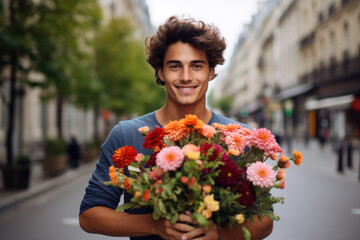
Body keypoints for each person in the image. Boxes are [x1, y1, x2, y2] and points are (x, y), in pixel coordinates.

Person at [79, 16, 273, 240]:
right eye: (174, 66)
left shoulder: (238, 136)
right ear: (160, 72)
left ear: (211, 71)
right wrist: (153, 225)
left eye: (197, 66)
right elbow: (89, 215)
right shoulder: (126, 134)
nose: (186, 77)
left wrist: (220, 234)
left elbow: (264, 219)